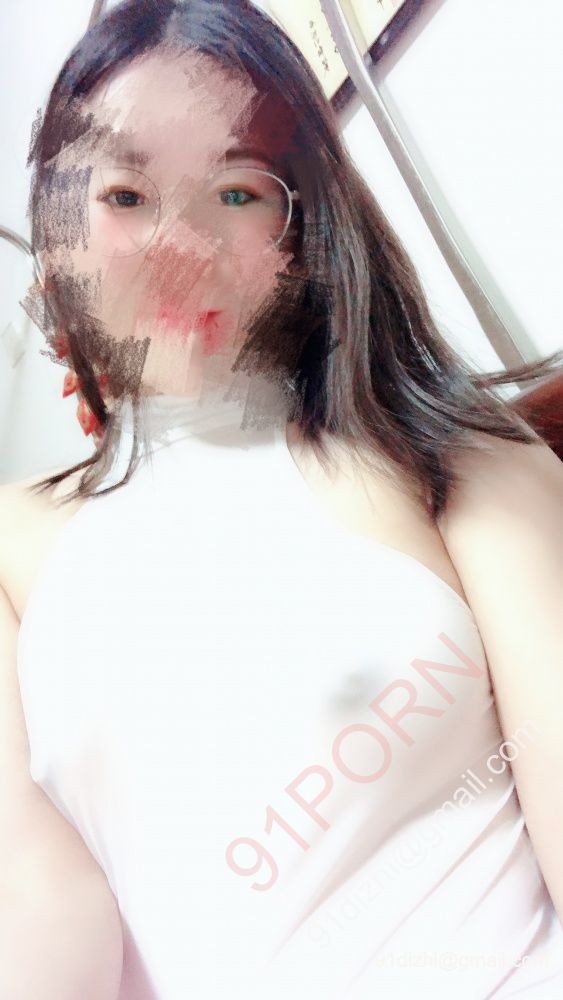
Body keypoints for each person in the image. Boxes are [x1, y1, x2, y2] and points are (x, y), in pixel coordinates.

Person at [2, 0, 563, 996]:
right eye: (126, 194)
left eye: (236, 190)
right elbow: (40, 919)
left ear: (304, 229)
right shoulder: (15, 543)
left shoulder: (459, 464)